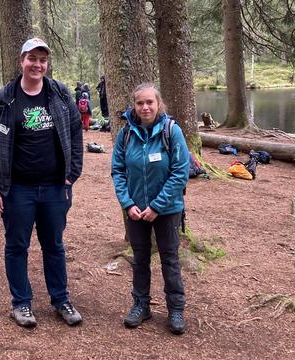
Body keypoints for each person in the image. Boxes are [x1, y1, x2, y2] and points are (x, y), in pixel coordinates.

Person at [0, 37, 83, 328]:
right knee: (16, 246)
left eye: (42, 60)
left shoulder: (60, 94)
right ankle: (21, 304)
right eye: (32, 59)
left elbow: (76, 133)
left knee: (54, 245)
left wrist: (72, 173)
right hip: (17, 189)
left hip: (54, 186)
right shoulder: (5, 98)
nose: (37, 65)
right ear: (21, 61)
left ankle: (60, 299)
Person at [111, 83, 190, 335]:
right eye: (140, 103)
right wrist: (128, 203)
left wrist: (157, 205)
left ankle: (176, 309)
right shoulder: (125, 135)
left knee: (170, 259)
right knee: (140, 258)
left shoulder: (171, 131)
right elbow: (118, 171)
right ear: (134, 106)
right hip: (135, 211)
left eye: (150, 102)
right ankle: (140, 305)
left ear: (158, 104)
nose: (145, 107)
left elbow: (180, 172)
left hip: (167, 210)